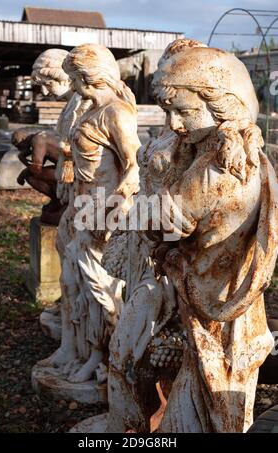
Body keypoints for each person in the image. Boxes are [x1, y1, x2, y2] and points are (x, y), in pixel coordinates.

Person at [150, 46, 278, 432]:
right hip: (221, 300)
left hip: (216, 311)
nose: (173, 125)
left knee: (212, 406)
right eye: (167, 112)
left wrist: (156, 180)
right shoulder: (240, 151)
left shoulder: (217, 169)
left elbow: (163, 224)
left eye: (184, 112)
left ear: (224, 105)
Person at [40, 44, 141, 384]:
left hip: (101, 209)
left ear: (90, 76)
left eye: (75, 78)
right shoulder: (89, 108)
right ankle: (76, 348)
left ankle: (103, 357)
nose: (73, 86)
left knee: (100, 288)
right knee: (72, 281)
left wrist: (112, 211)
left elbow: (134, 170)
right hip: (80, 205)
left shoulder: (116, 112)